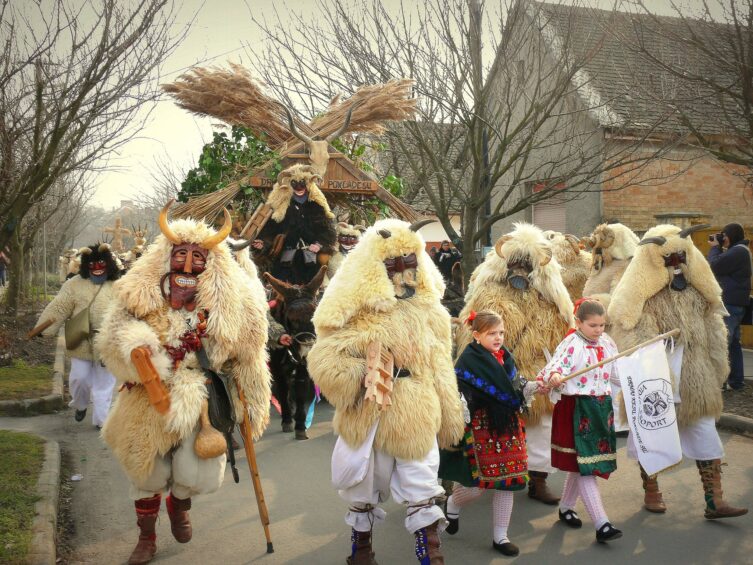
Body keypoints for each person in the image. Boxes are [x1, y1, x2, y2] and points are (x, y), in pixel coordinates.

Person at [96, 202, 271, 564]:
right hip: (147, 395)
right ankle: (146, 537)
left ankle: (179, 505)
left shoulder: (233, 305)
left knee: (197, 470)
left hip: (201, 395)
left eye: (198, 257)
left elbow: (250, 353)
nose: (189, 264)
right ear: (166, 257)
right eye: (181, 255)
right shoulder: (138, 295)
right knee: (146, 469)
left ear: (213, 265)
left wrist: (249, 403)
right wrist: (138, 349)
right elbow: (113, 335)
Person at [309, 218, 464, 565]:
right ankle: (360, 551)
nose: (403, 270)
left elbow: (441, 364)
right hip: (370, 410)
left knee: (423, 486)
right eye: (394, 263)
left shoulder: (430, 309)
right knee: (363, 488)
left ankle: (431, 557)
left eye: (410, 260)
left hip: (418, 409)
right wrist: (365, 373)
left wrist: (450, 413)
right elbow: (325, 358)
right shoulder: (356, 310)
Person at [610, 224, 748, 519]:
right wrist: (654, 345)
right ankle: (652, 490)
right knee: (653, 432)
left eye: (679, 258)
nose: (676, 265)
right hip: (658, 377)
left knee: (705, 433)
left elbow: (713, 327)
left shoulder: (697, 292)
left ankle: (715, 500)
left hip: (695, 376)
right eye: (669, 260)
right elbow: (631, 329)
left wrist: (716, 365)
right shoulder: (645, 294)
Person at [439, 310, 531, 557]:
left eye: (501, 332)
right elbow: (461, 393)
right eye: (492, 333)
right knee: (479, 486)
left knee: (508, 484)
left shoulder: (505, 356)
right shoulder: (468, 360)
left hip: (509, 426)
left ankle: (500, 536)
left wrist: (532, 387)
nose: (498, 337)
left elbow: (515, 387)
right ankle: (453, 503)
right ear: (477, 335)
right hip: (483, 429)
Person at [538, 298, 623, 543]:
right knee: (586, 467)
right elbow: (555, 367)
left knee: (583, 463)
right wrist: (555, 376)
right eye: (593, 325)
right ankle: (602, 523)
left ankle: (566, 507)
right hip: (576, 408)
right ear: (578, 322)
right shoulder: (572, 343)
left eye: (602, 325)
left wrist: (637, 371)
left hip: (599, 408)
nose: (598, 330)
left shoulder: (607, 344)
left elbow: (616, 375)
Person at [32, 243, 121, 427]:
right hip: (80, 341)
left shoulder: (119, 285)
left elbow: (130, 310)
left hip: (108, 343)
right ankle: (80, 404)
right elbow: (59, 306)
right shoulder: (74, 284)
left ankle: (101, 422)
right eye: (92, 265)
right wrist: (44, 329)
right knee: (78, 378)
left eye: (101, 265)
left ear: (109, 264)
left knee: (103, 386)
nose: (97, 269)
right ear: (86, 265)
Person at [252, 164, 337, 285]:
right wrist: (264, 242)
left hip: (310, 258)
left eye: (302, 182)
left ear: (308, 183)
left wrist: (319, 244)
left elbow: (328, 232)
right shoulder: (281, 208)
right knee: (281, 288)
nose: (299, 187)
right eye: (294, 183)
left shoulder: (317, 206)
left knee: (312, 287)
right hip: (285, 258)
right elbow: (271, 230)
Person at [707, 223, 751, 391]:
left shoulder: (738, 251)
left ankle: (721, 382)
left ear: (730, 236)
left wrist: (715, 248)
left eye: (723, 236)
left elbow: (713, 266)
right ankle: (736, 381)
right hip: (735, 303)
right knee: (733, 344)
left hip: (731, 305)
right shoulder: (739, 251)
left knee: (724, 343)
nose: (721, 239)